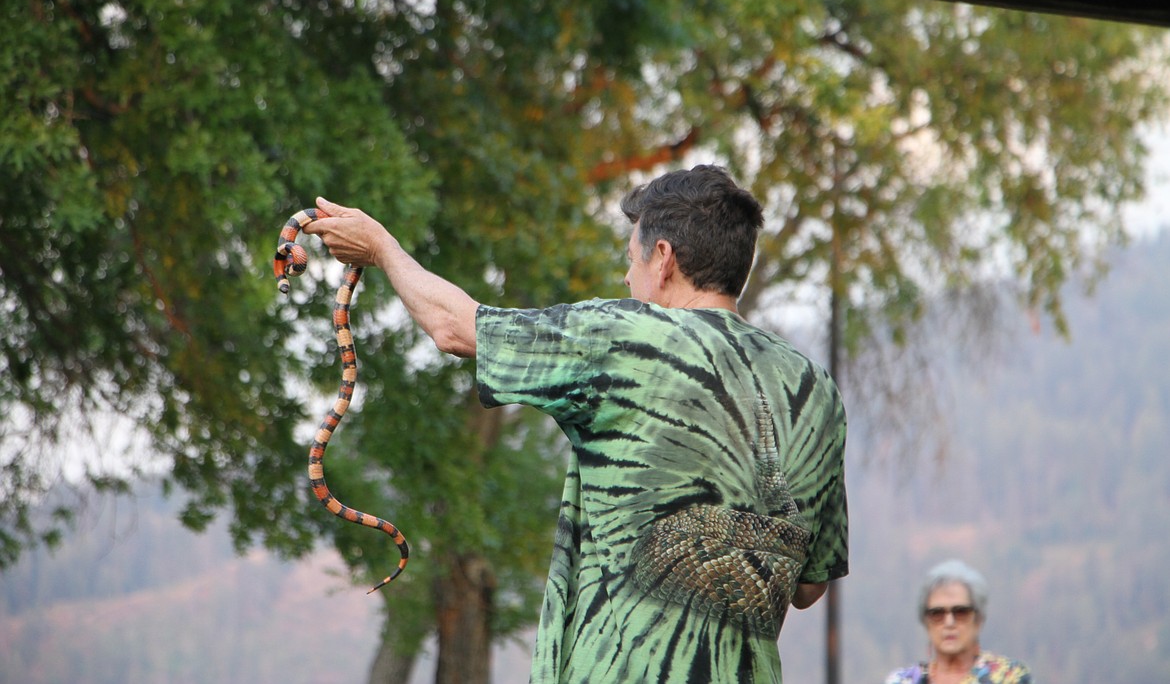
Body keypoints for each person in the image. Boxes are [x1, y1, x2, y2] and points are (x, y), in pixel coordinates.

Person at [305, 165, 849, 683]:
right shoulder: (815, 390)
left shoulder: (629, 335)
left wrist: (381, 248)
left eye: (630, 259)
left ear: (663, 258)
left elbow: (456, 328)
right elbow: (809, 587)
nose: (625, 276)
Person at [884, 559, 1033, 684]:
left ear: (978, 620)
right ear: (926, 622)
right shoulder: (902, 681)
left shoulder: (1010, 677)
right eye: (937, 613)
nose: (949, 622)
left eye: (961, 612)